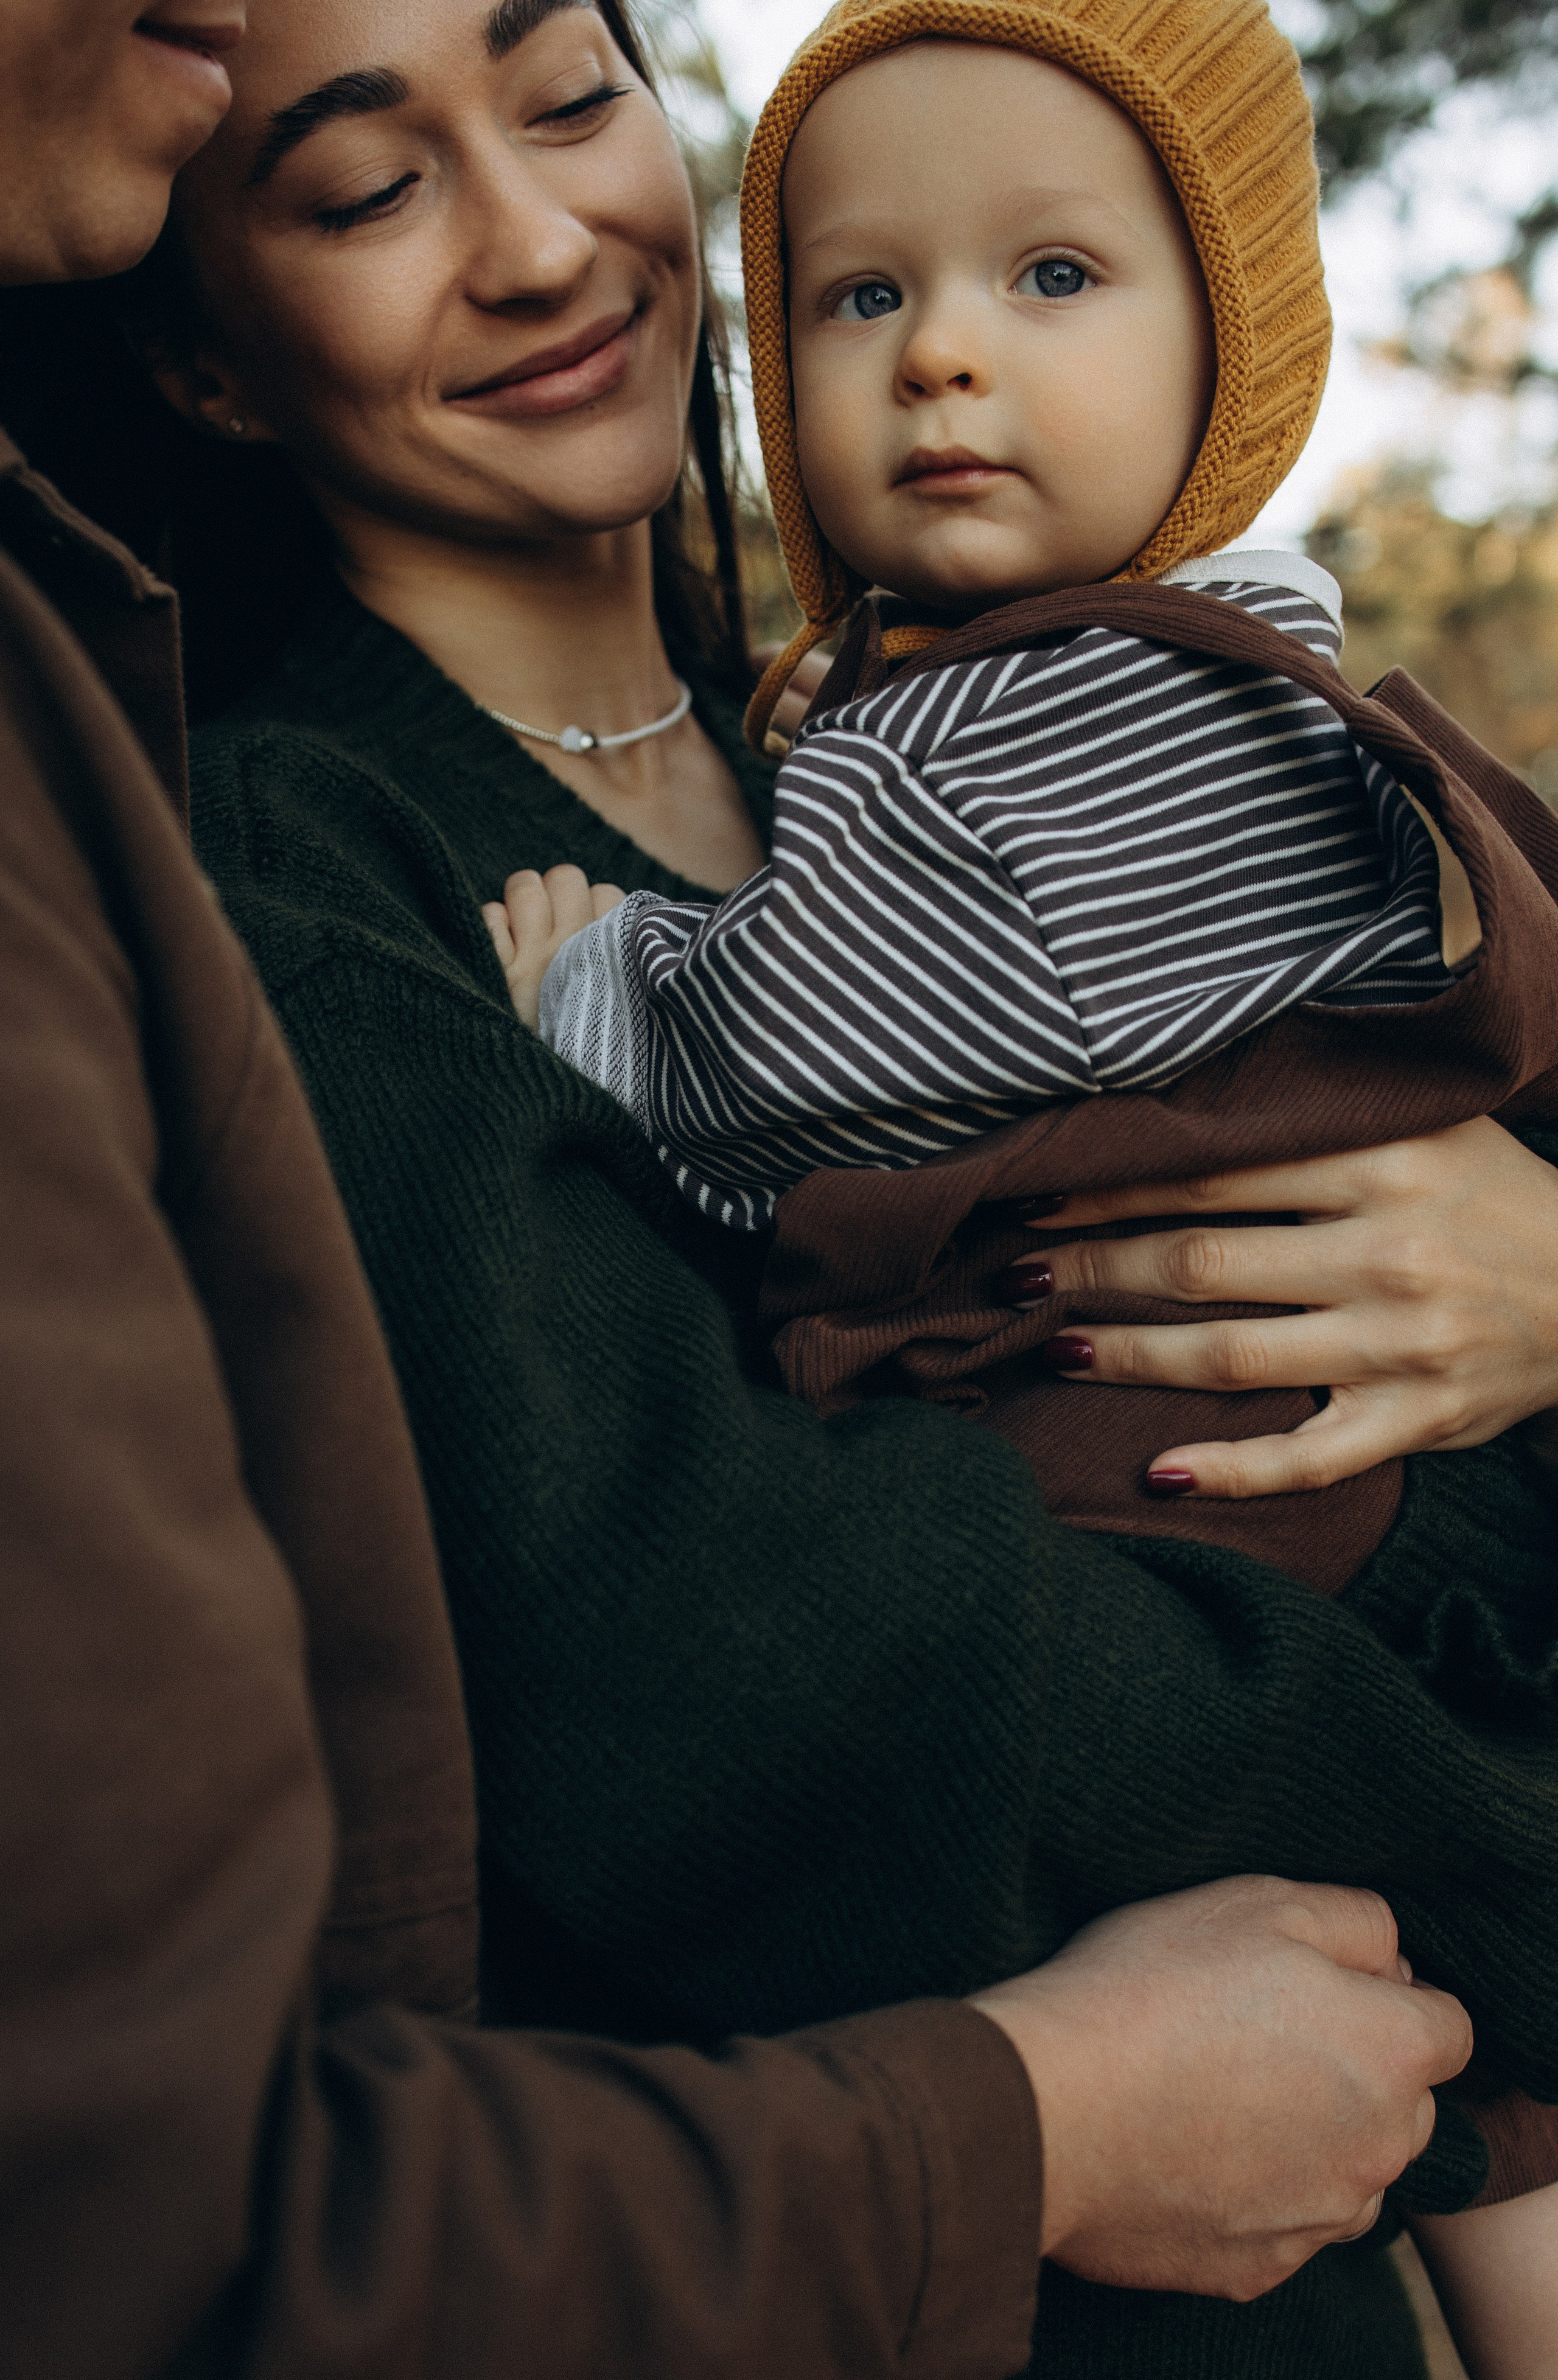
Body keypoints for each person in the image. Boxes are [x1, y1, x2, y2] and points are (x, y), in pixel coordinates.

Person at [27, 0, 1557, 2369]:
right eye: (368, 189)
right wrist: (1503, 1839)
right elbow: (753, 1653)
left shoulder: (945, 728)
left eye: (570, 99)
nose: (541, 243)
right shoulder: (302, 876)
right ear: (210, 366)